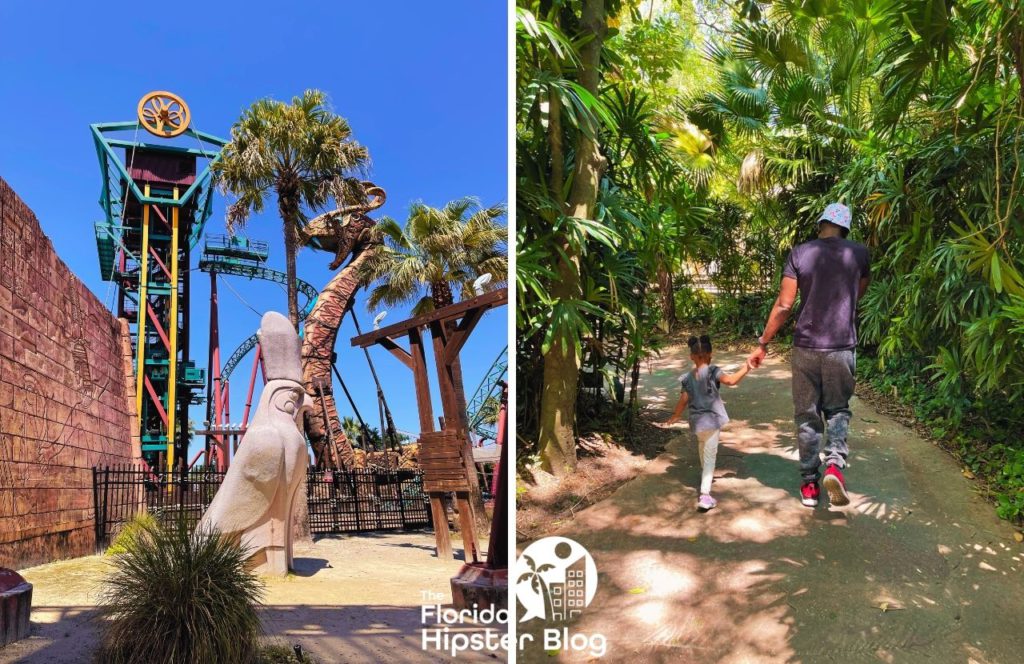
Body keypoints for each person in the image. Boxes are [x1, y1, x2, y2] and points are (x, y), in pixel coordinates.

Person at [747, 203, 870, 508]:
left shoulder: (800, 253)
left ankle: (809, 485)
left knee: (807, 415)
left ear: (820, 224)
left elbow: (785, 305)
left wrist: (763, 342)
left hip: (805, 348)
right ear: (845, 227)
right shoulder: (859, 253)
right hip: (841, 347)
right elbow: (859, 291)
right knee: (838, 410)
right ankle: (834, 467)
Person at [663, 335, 753, 511]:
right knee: (710, 456)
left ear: (691, 356)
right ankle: (705, 495)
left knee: (702, 447)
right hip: (712, 422)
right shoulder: (713, 371)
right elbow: (731, 381)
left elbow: (683, 399)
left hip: (697, 424)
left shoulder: (687, 378)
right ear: (710, 355)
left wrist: (675, 416)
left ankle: (706, 474)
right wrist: (747, 367)